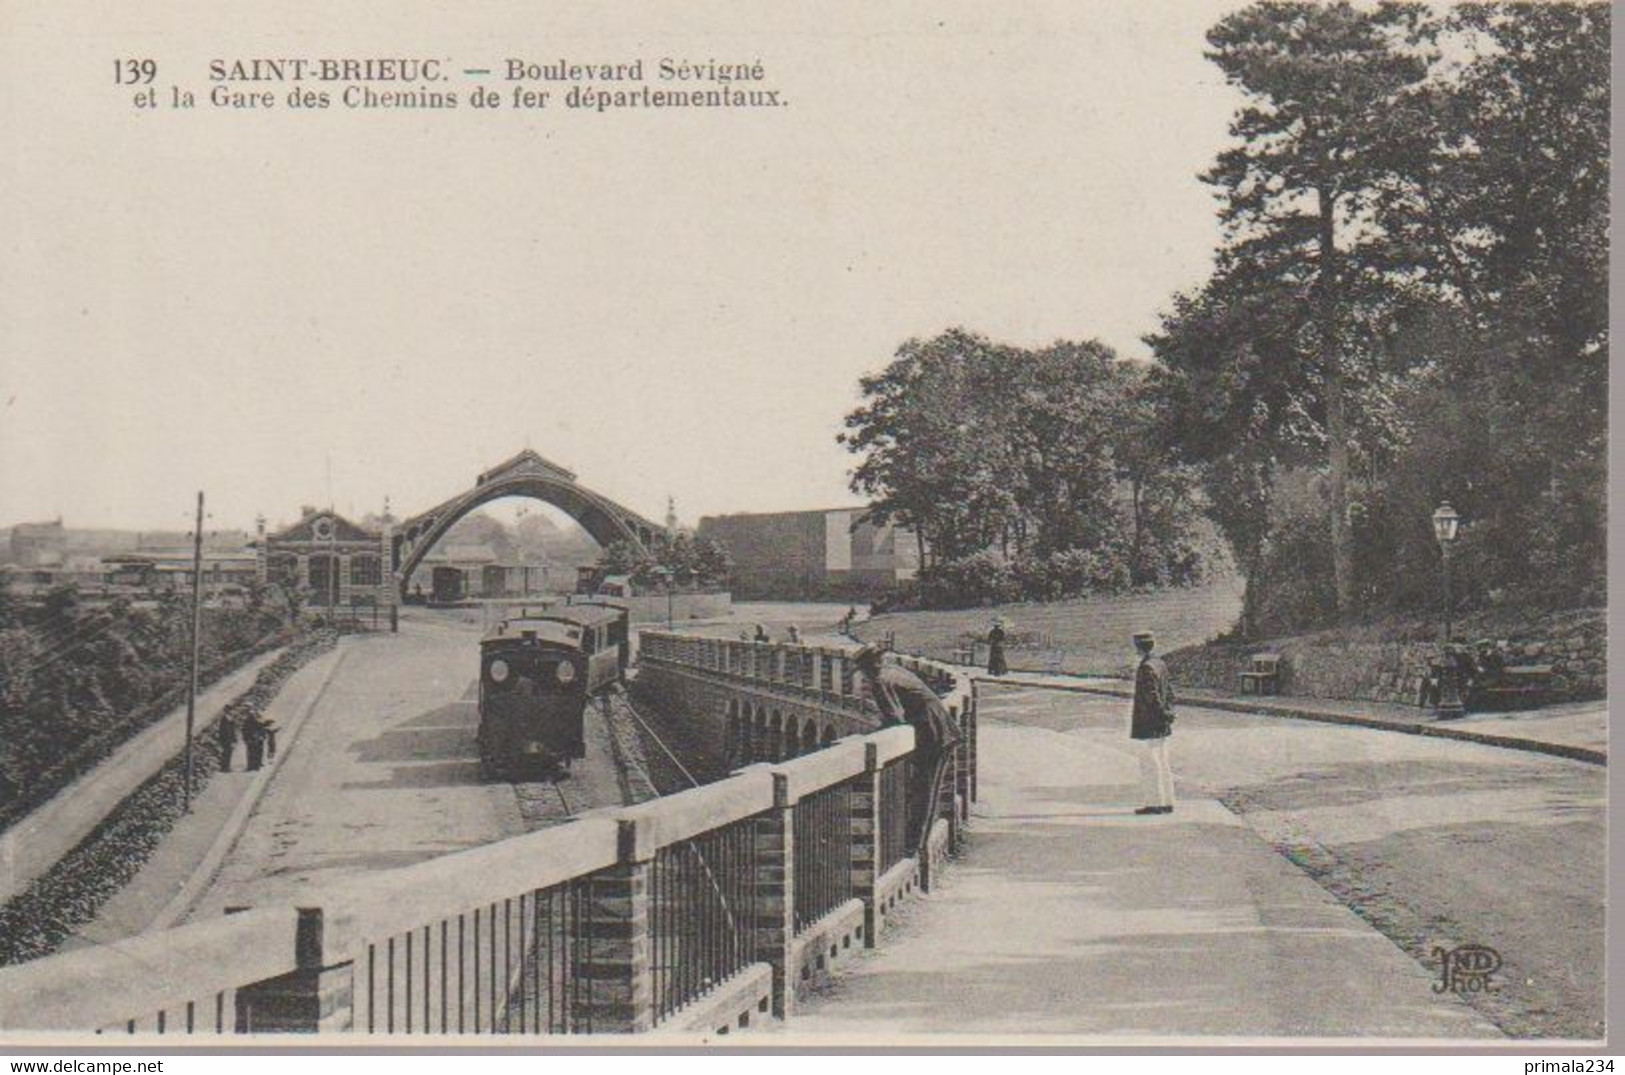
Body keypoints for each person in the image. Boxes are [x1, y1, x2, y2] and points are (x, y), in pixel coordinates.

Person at [853, 644, 962, 856]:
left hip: (934, 735)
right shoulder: (895, 671)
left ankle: (915, 848)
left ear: (868, 667)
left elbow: (894, 718)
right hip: (939, 730)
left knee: (924, 792)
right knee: (926, 791)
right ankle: (918, 845)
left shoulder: (880, 680)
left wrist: (878, 732)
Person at [1129, 630, 1176, 815]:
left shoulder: (1146, 667)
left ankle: (1154, 802)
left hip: (1149, 722)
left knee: (1149, 762)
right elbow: (1170, 692)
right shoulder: (1160, 664)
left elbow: (1151, 697)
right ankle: (1167, 801)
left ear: (1138, 648)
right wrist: (1168, 713)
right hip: (1162, 722)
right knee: (1163, 761)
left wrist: (1161, 713)